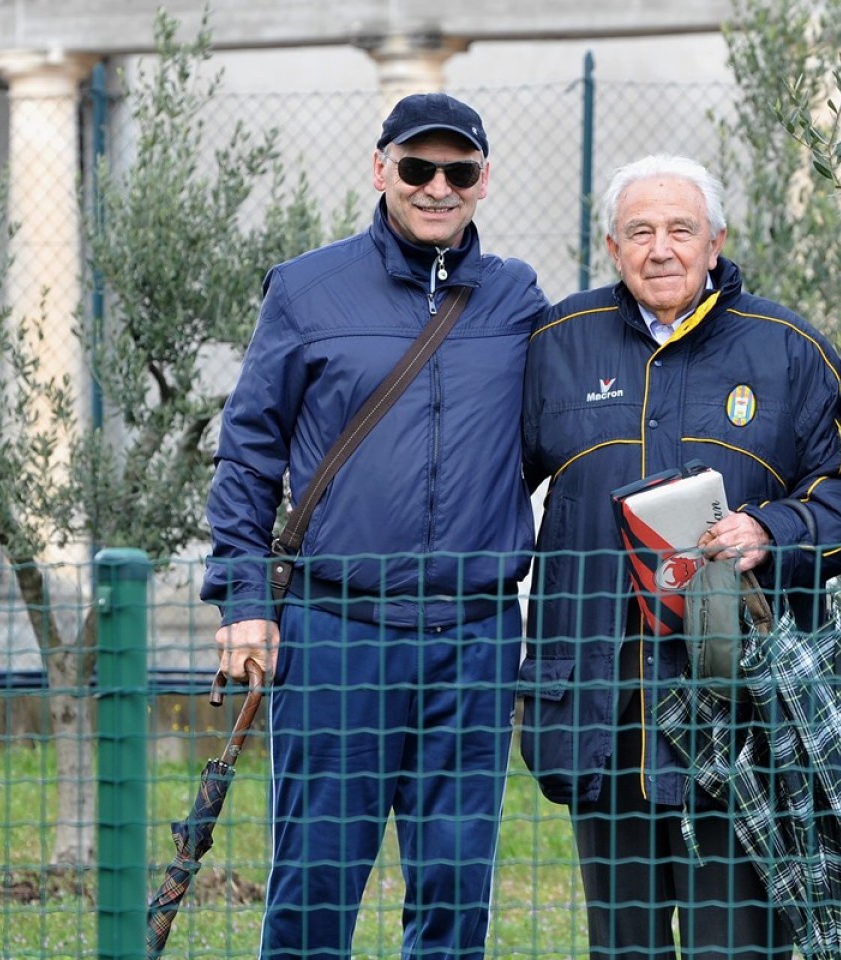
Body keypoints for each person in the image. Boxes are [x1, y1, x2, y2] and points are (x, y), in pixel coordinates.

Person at [200, 92, 547, 959]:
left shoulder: (517, 299)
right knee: (316, 882)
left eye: (457, 171)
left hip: (472, 638)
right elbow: (248, 454)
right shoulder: (306, 288)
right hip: (335, 632)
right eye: (417, 167)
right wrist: (244, 599)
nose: (437, 187)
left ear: (483, 181)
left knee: (455, 891)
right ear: (380, 168)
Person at [518, 154, 841, 960]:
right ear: (611, 245)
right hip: (601, 706)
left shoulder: (787, 349)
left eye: (681, 229)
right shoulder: (558, 345)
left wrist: (773, 530)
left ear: (717, 242)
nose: (661, 249)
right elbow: (489, 486)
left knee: (736, 946)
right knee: (622, 945)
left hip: (740, 712)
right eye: (640, 231)